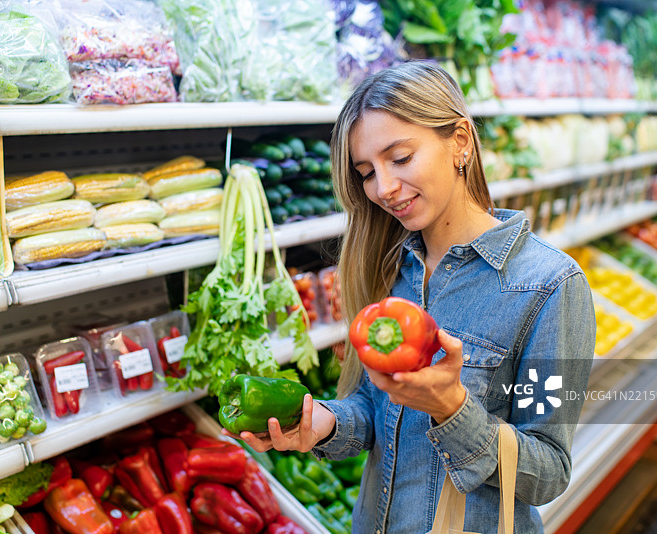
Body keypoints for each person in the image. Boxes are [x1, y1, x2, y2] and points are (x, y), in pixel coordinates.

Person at [226, 60, 596, 533]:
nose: (383, 188)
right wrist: (323, 423)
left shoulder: (548, 286)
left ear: (460, 141)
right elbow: (374, 409)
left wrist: (452, 409)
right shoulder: (386, 266)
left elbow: (547, 473)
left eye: (400, 159)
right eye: (366, 172)